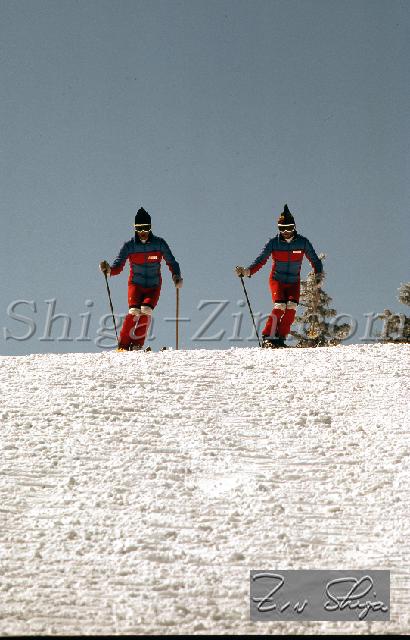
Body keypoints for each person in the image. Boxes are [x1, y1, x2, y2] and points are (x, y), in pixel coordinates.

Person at [235, 204, 323, 348]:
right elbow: (261, 260)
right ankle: (268, 336)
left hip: (293, 281)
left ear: (294, 227)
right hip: (277, 280)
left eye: (289, 228)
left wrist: (318, 274)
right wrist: (247, 271)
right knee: (280, 305)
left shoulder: (303, 243)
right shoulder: (273, 243)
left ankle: (280, 338)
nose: (286, 232)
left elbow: (314, 260)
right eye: (282, 228)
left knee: (291, 307)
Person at [100, 207, 183, 350]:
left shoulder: (159, 244)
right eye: (139, 228)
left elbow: (172, 262)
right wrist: (109, 270)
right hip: (136, 285)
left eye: (146, 228)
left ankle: (137, 344)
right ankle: (123, 345)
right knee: (134, 311)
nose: (143, 232)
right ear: (135, 228)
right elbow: (118, 265)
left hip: (153, 286)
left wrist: (176, 276)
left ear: (150, 227)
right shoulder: (130, 246)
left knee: (146, 310)